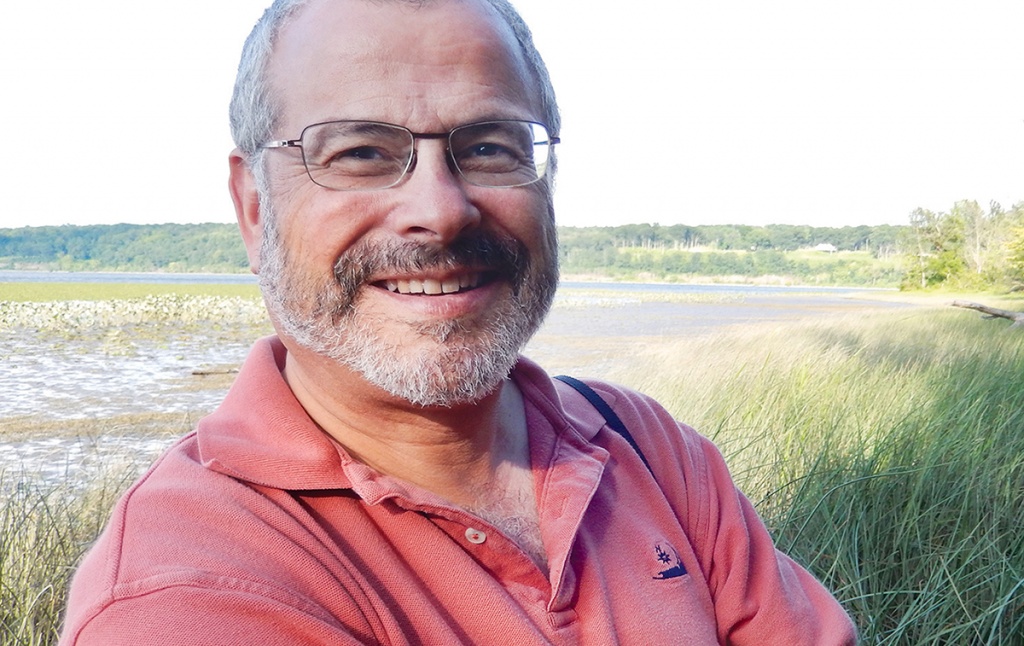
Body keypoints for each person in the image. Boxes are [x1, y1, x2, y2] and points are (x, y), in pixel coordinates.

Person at [60, 0, 858, 643]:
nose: (439, 213)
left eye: (487, 147)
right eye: (362, 153)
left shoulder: (650, 449)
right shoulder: (190, 589)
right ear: (254, 207)